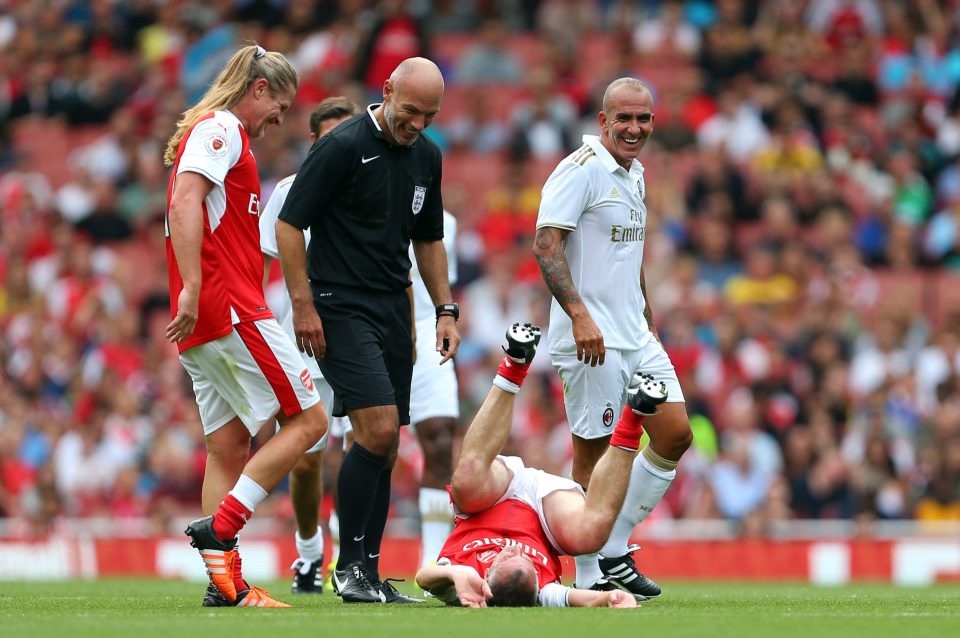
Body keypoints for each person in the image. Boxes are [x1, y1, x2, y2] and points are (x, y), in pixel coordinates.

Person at [275, 57, 460, 604]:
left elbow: (428, 239)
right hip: (338, 304)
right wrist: (303, 304)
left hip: (392, 308)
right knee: (377, 433)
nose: (418, 124)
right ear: (386, 91)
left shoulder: (427, 155)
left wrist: (445, 309)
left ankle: (369, 572)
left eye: (430, 115)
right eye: (410, 111)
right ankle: (347, 566)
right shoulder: (341, 146)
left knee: (384, 444)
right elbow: (289, 222)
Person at [163, 44, 328, 609]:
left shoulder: (215, 132)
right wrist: (191, 284)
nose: (277, 121)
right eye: (278, 108)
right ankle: (223, 528)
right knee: (310, 420)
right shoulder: (224, 129)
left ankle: (224, 584)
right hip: (229, 307)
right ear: (258, 89)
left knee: (227, 447)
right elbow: (186, 201)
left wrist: (188, 292)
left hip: (204, 322)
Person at [532, 77, 693, 598]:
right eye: (623, 118)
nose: (634, 128)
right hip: (590, 338)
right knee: (594, 458)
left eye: (643, 119)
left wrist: (643, 302)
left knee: (674, 434)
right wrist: (579, 315)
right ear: (602, 121)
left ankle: (614, 546)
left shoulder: (635, 172)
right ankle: (588, 578)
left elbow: (629, 247)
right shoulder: (579, 171)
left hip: (634, 333)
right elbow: (546, 243)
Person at [415, 323, 666, 608]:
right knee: (592, 535)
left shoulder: (467, 583)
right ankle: (636, 412)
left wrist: (455, 572)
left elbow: (424, 577)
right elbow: (576, 598)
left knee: (466, 483)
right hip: (547, 516)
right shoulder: (540, 591)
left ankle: (515, 362)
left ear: (488, 577)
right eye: (527, 562)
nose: (512, 550)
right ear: (536, 578)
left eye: (506, 559)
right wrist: (610, 598)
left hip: (490, 497)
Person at [258, 96, 361, 594]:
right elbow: (258, 269)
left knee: (363, 448)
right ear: (314, 142)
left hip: (361, 334)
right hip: (301, 341)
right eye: (330, 137)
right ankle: (308, 553)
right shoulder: (288, 192)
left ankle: (354, 556)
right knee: (305, 460)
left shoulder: (374, 186)